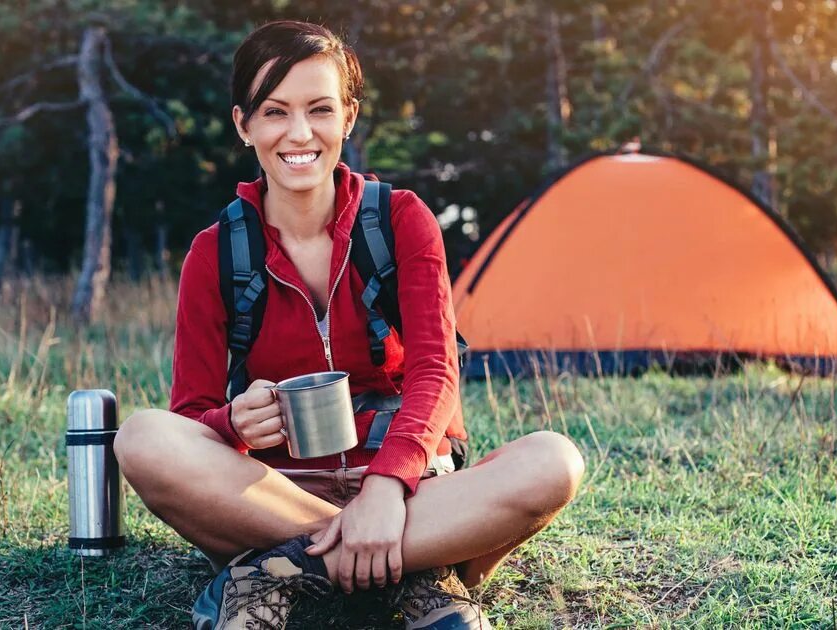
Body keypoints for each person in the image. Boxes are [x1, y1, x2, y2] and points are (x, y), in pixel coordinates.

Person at [114, 20, 585, 630]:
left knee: (554, 462)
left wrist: (386, 489)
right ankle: (416, 574)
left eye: (319, 109)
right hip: (276, 491)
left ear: (349, 117)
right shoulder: (215, 252)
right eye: (275, 111)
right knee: (142, 438)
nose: (300, 133)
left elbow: (435, 371)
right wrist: (231, 421)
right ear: (244, 125)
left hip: (413, 486)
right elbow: (190, 416)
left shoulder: (402, 220)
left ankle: (274, 572)